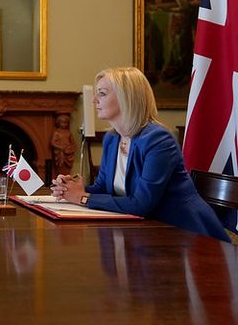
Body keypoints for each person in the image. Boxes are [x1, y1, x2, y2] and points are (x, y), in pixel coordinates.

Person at [50, 67, 229, 242]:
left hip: (187, 237)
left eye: (102, 93)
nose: (94, 100)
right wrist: (71, 189)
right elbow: (104, 188)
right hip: (148, 234)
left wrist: (82, 197)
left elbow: (142, 204)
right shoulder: (112, 139)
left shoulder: (158, 140)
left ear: (127, 98)